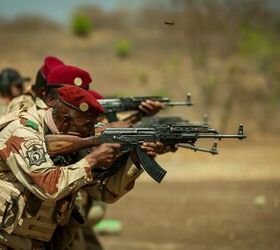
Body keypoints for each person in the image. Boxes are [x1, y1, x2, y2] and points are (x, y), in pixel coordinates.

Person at [0, 85, 158, 249]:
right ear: (66, 121)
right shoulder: (23, 131)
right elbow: (48, 186)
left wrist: (136, 160)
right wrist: (92, 159)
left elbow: (105, 192)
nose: (92, 132)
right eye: (88, 126)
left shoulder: (70, 138)